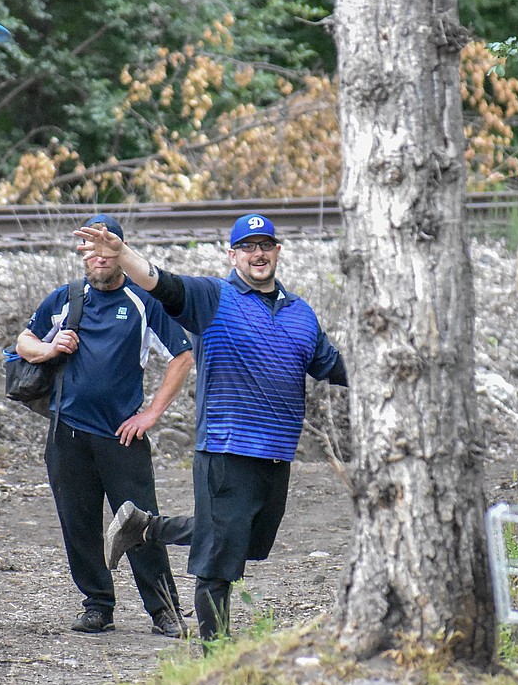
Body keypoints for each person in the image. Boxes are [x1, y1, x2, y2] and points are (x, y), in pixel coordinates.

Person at [77, 212, 348, 642]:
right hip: (227, 448)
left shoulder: (301, 313)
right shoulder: (212, 297)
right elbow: (162, 283)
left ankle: (144, 528)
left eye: (265, 246)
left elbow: (332, 365)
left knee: (249, 543)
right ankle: (214, 653)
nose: (257, 254)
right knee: (218, 562)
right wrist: (123, 254)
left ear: (277, 251)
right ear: (232, 254)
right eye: (247, 247)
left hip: (277, 454)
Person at [16, 214, 195, 637]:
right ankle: (97, 605)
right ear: (83, 255)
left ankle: (164, 610)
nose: (99, 257)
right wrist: (47, 348)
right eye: (90, 249)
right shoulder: (66, 298)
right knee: (77, 523)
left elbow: (183, 357)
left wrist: (151, 414)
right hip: (67, 433)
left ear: (121, 252)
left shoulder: (144, 302)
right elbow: (22, 342)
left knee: (139, 524)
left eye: (107, 248)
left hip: (121, 436)